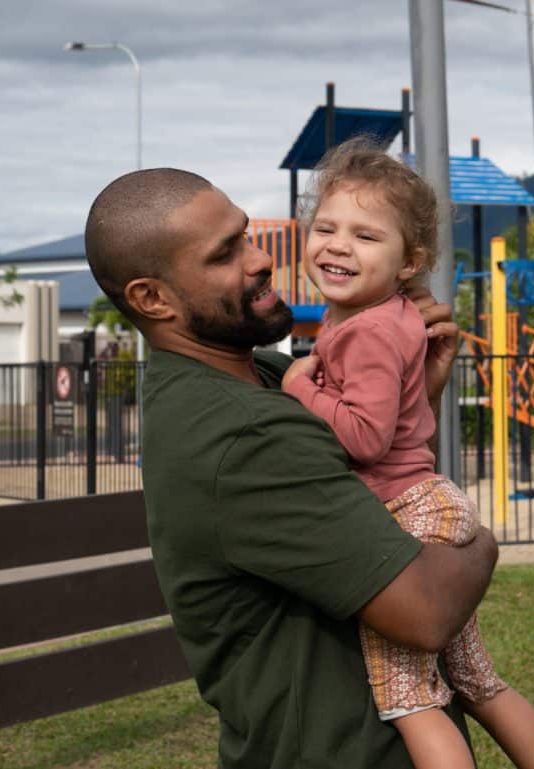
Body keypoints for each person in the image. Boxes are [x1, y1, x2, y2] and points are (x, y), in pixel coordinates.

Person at [84, 166, 498, 769]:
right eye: (225, 253)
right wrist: (481, 542)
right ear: (153, 299)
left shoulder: (271, 379)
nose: (260, 260)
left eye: (246, 236)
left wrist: (418, 392)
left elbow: (375, 471)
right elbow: (427, 610)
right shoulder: (242, 431)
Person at [280, 140, 534, 769]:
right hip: (430, 501)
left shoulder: (366, 330)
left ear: (409, 261)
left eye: (365, 236)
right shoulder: (381, 314)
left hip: (409, 515)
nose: (338, 246)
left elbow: (365, 437)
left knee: (409, 700)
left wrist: (301, 388)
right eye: (326, 228)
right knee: (477, 682)